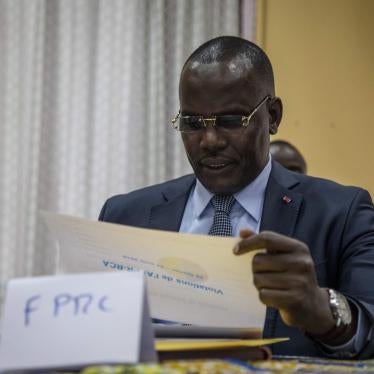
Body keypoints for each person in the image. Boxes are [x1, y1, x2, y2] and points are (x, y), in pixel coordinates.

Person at [99, 36, 374, 359]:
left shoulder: (342, 213)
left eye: (230, 121)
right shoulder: (124, 216)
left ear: (272, 116)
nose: (209, 140)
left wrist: (322, 310)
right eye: (192, 123)